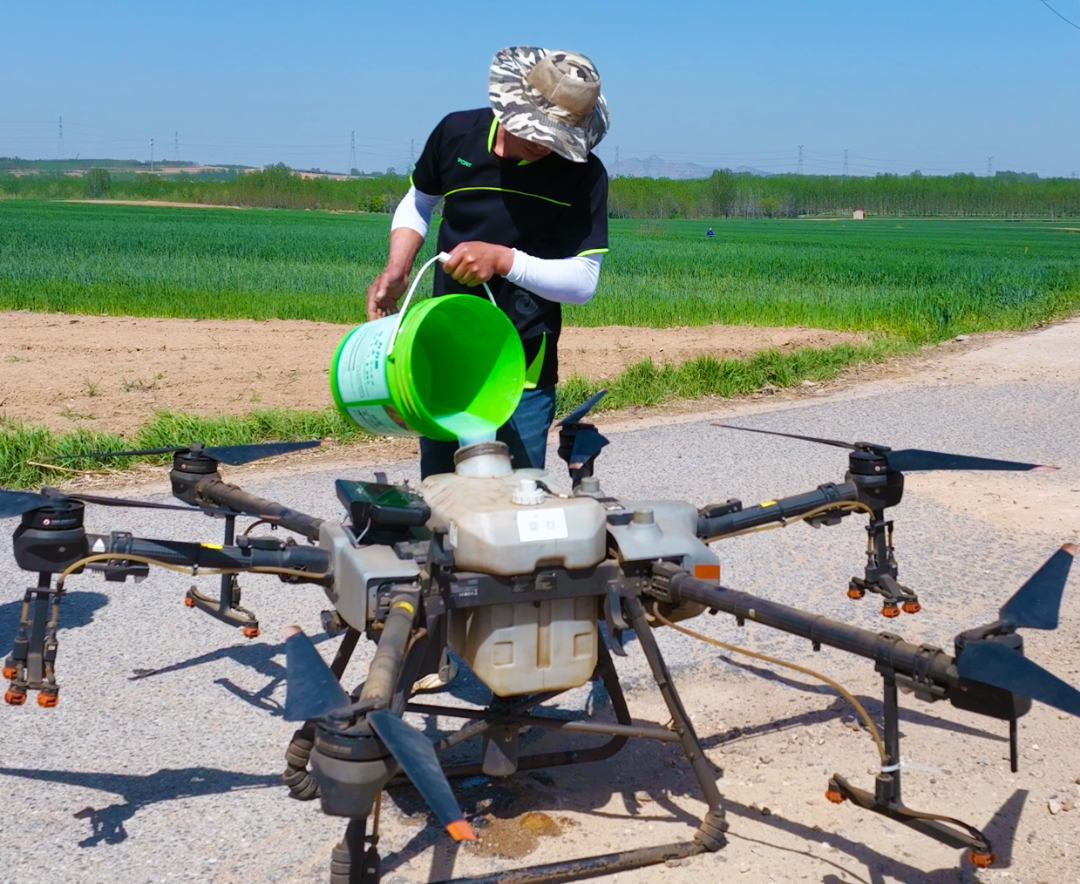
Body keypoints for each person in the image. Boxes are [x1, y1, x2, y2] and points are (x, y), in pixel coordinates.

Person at [367, 46, 611, 481]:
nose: (547, 147)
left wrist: (502, 260)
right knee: (441, 497)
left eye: (559, 137)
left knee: (518, 501)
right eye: (540, 133)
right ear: (512, 107)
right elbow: (420, 200)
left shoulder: (584, 175)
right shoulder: (456, 133)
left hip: (523, 364)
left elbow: (583, 281)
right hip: (444, 350)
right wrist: (399, 266)